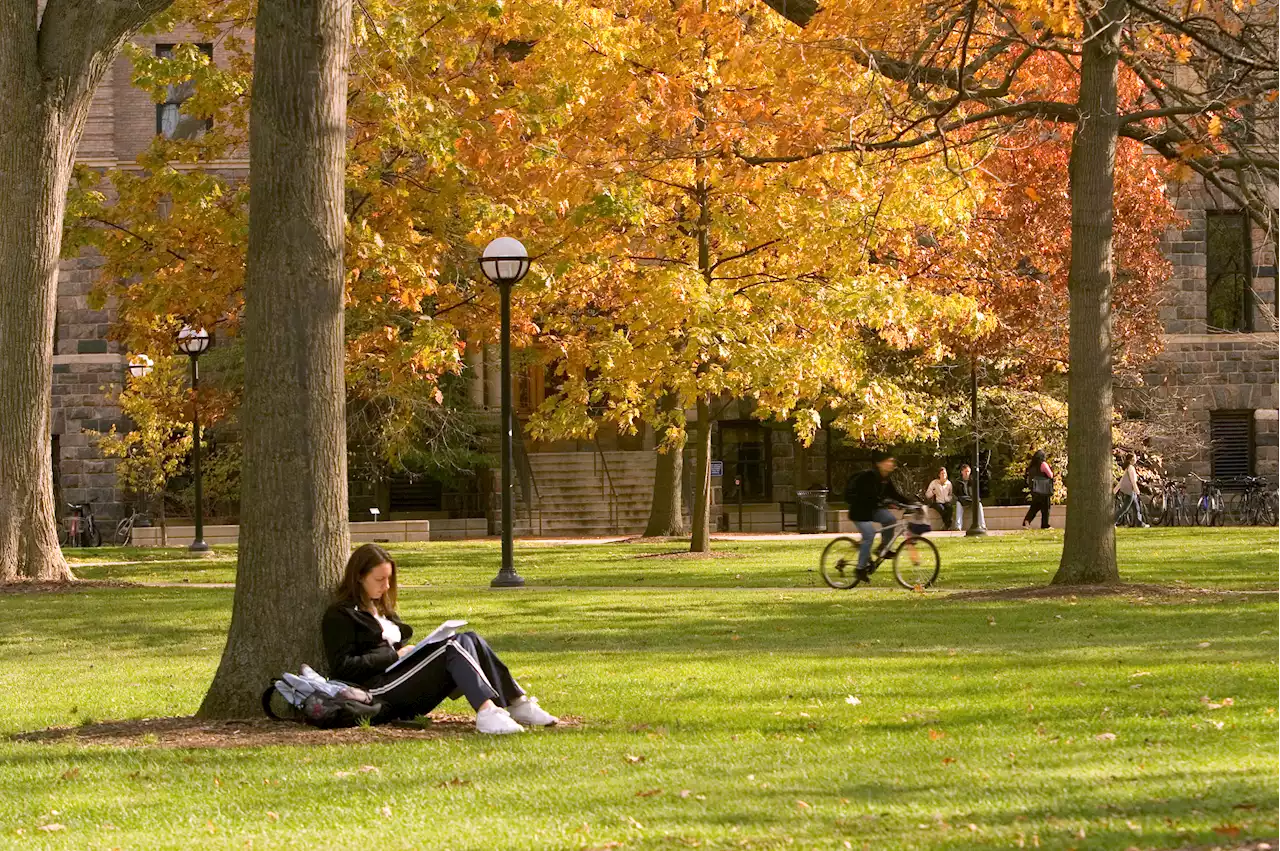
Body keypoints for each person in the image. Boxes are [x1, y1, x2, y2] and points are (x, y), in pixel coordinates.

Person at [322, 543, 558, 735]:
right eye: (379, 580)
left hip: (403, 677)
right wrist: (394, 655)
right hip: (379, 689)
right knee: (452, 646)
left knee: (469, 638)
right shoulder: (341, 614)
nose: (385, 586)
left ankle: (517, 703)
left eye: (388, 580)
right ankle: (487, 711)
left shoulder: (381, 609)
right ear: (359, 577)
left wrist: (411, 653)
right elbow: (344, 666)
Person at [844, 450, 916, 583]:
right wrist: (886, 502)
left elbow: (895, 494)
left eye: (892, 461)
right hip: (860, 512)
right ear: (879, 464)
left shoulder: (885, 478)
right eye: (889, 461)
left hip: (872, 510)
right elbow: (868, 497)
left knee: (890, 519)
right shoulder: (868, 477)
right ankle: (859, 569)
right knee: (869, 535)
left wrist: (911, 502)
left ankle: (883, 547)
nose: (891, 464)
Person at [1113, 452, 1149, 527]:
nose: (1136, 459)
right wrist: (1137, 490)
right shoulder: (1130, 468)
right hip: (1130, 491)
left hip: (1130, 491)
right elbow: (1133, 481)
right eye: (1135, 458)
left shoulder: (1128, 468)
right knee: (1125, 508)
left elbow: (1122, 480)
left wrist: (1116, 489)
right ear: (1131, 459)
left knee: (1136, 507)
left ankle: (1140, 523)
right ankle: (1113, 521)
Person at [1023, 450, 1054, 529]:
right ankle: (1045, 525)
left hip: (1035, 490)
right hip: (1044, 489)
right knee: (1046, 508)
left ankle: (1027, 521)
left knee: (1035, 507)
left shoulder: (1031, 467)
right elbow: (1050, 475)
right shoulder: (1043, 464)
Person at [953, 464, 973, 531]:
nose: (967, 473)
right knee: (958, 503)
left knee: (979, 505)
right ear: (962, 472)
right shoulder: (958, 482)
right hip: (962, 501)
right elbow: (955, 493)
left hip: (971, 501)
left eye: (968, 471)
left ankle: (982, 525)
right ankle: (958, 526)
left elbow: (976, 493)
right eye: (965, 471)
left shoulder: (973, 481)